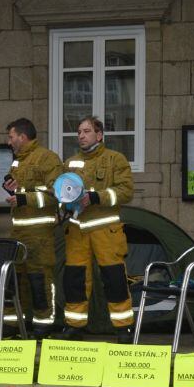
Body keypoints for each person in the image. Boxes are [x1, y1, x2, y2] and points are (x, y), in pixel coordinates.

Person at [57, 116, 135, 343]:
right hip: (76, 232)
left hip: (106, 230)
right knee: (75, 280)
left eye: (87, 131)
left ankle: (123, 328)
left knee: (114, 279)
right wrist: (63, 204)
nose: (81, 135)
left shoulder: (115, 159)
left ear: (99, 135)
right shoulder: (70, 163)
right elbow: (63, 192)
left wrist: (95, 197)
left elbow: (126, 191)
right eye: (79, 132)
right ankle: (74, 326)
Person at [3, 118, 63, 336]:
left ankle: (43, 324)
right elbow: (22, 191)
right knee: (18, 280)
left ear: (22, 136)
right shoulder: (18, 161)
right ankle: (16, 324)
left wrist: (23, 197)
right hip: (18, 232)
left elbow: (55, 196)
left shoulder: (48, 159)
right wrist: (13, 191)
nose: (8, 142)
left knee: (40, 279)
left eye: (11, 137)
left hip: (40, 234)